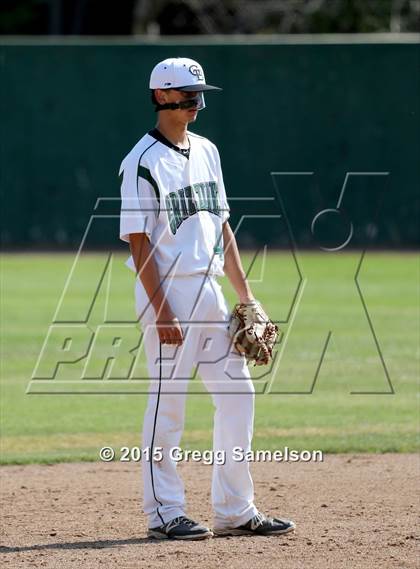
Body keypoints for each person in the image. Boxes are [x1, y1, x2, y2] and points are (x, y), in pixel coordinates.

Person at [118, 57, 296, 540]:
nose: (196, 102)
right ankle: (164, 512)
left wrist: (248, 296)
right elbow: (139, 245)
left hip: (211, 290)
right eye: (186, 94)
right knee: (168, 405)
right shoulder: (141, 163)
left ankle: (236, 509)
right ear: (161, 97)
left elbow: (222, 226)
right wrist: (161, 312)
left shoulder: (208, 151)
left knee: (238, 395)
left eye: (199, 94)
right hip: (168, 291)